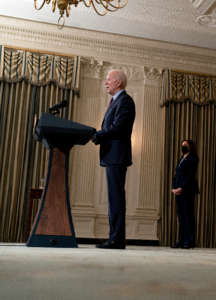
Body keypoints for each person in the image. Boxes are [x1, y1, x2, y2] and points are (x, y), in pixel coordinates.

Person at [92, 69, 135, 249]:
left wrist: (98, 134)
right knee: (114, 198)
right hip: (112, 156)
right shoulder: (115, 102)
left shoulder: (125, 101)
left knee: (116, 198)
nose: (106, 82)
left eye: (108, 79)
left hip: (117, 156)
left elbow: (118, 128)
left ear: (118, 82)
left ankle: (117, 239)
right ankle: (115, 237)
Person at [172, 139, 199, 249]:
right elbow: (177, 174)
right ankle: (181, 240)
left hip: (187, 191)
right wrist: (174, 187)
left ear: (190, 147)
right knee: (181, 217)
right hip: (178, 191)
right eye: (182, 145)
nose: (183, 147)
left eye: (185, 145)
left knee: (188, 216)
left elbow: (190, 175)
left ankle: (189, 241)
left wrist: (181, 187)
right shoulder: (181, 159)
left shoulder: (193, 158)